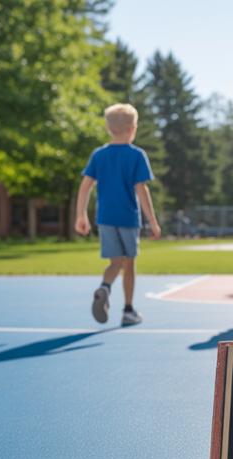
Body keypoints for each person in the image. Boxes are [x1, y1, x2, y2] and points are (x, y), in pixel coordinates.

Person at [74, 103, 160, 326]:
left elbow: (85, 186)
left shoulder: (99, 155)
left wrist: (80, 215)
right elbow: (142, 190)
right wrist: (152, 221)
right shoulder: (137, 155)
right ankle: (128, 310)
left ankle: (104, 288)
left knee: (115, 263)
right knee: (128, 264)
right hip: (128, 219)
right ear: (133, 128)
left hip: (105, 219)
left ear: (108, 128)